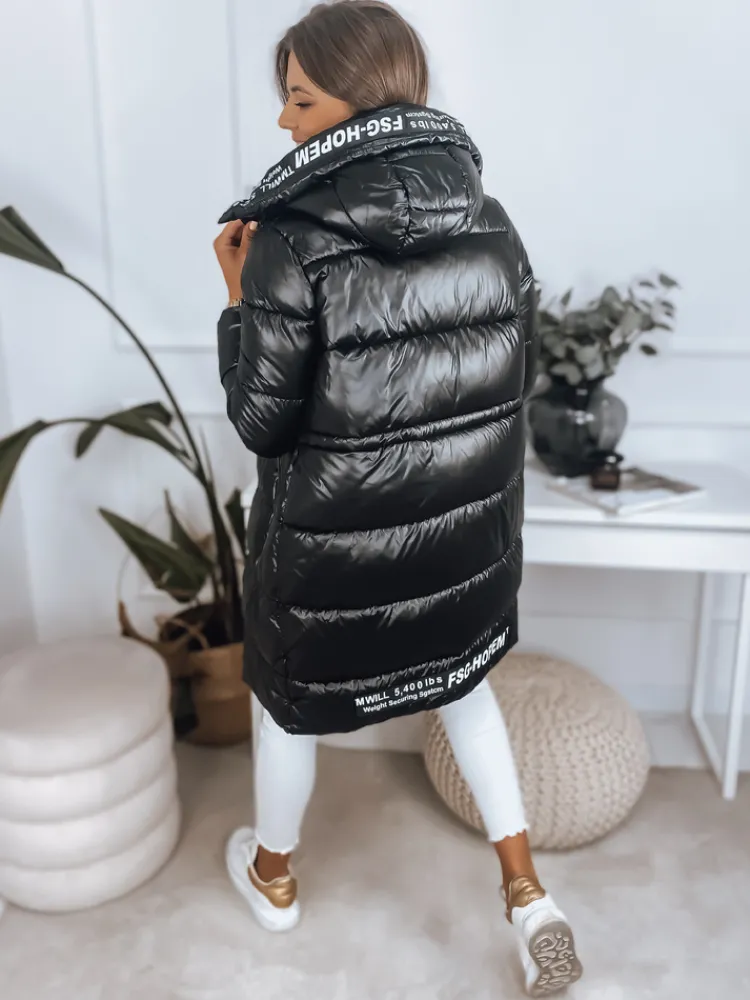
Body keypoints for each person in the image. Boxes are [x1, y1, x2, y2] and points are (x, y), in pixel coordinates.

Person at [213, 1, 582, 994]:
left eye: (300, 99)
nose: (284, 121)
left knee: (287, 715)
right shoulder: (493, 223)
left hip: (330, 555)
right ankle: (528, 895)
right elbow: (509, 384)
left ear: (358, 100)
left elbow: (261, 423)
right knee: (465, 692)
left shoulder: (288, 240)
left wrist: (239, 300)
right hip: (461, 548)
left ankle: (274, 877)